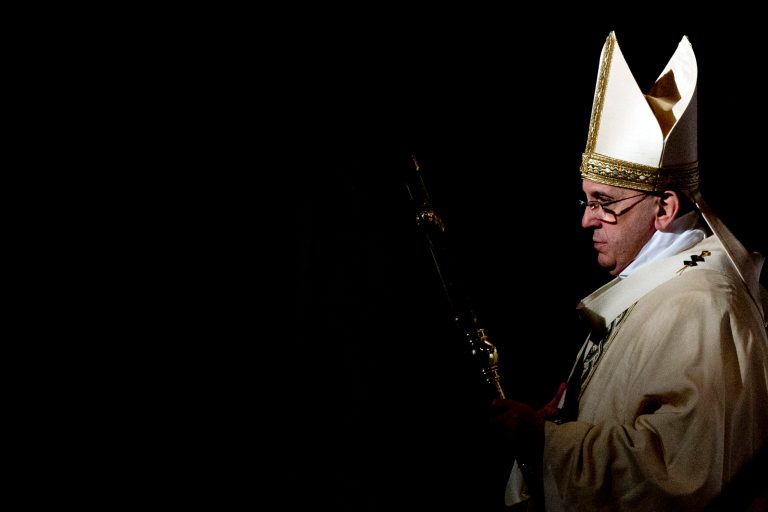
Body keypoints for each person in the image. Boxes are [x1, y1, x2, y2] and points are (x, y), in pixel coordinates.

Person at [488, 32, 768, 511]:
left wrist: (545, 445)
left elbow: (685, 477)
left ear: (664, 208)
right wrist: (561, 424)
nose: (586, 219)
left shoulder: (703, 308)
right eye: (586, 198)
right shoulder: (652, 288)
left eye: (605, 203)